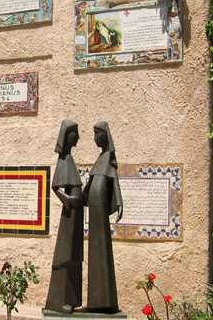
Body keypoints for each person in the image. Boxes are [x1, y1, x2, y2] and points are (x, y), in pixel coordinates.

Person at [83, 121, 123, 313]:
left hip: (99, 211)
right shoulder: (100, 158)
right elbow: (91, 183)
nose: (94, 138)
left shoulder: (108, 158)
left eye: (97, 134)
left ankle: (104, 301)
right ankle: (95, 300)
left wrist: (120, 203)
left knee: (101, 250)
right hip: (94, 209)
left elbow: (113, 180)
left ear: (104, 136)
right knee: (94, 251)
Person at [45, 120, 84, 314]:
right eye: (75, 133)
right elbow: (55, 187)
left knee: (75, 255)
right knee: (66, 255)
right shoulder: (64, 160)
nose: (77, 136)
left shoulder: (69, 159)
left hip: (76, 215)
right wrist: (69, 200)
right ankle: (59, 301)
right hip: (70, 214)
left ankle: (73, 299)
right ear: (66, 136)